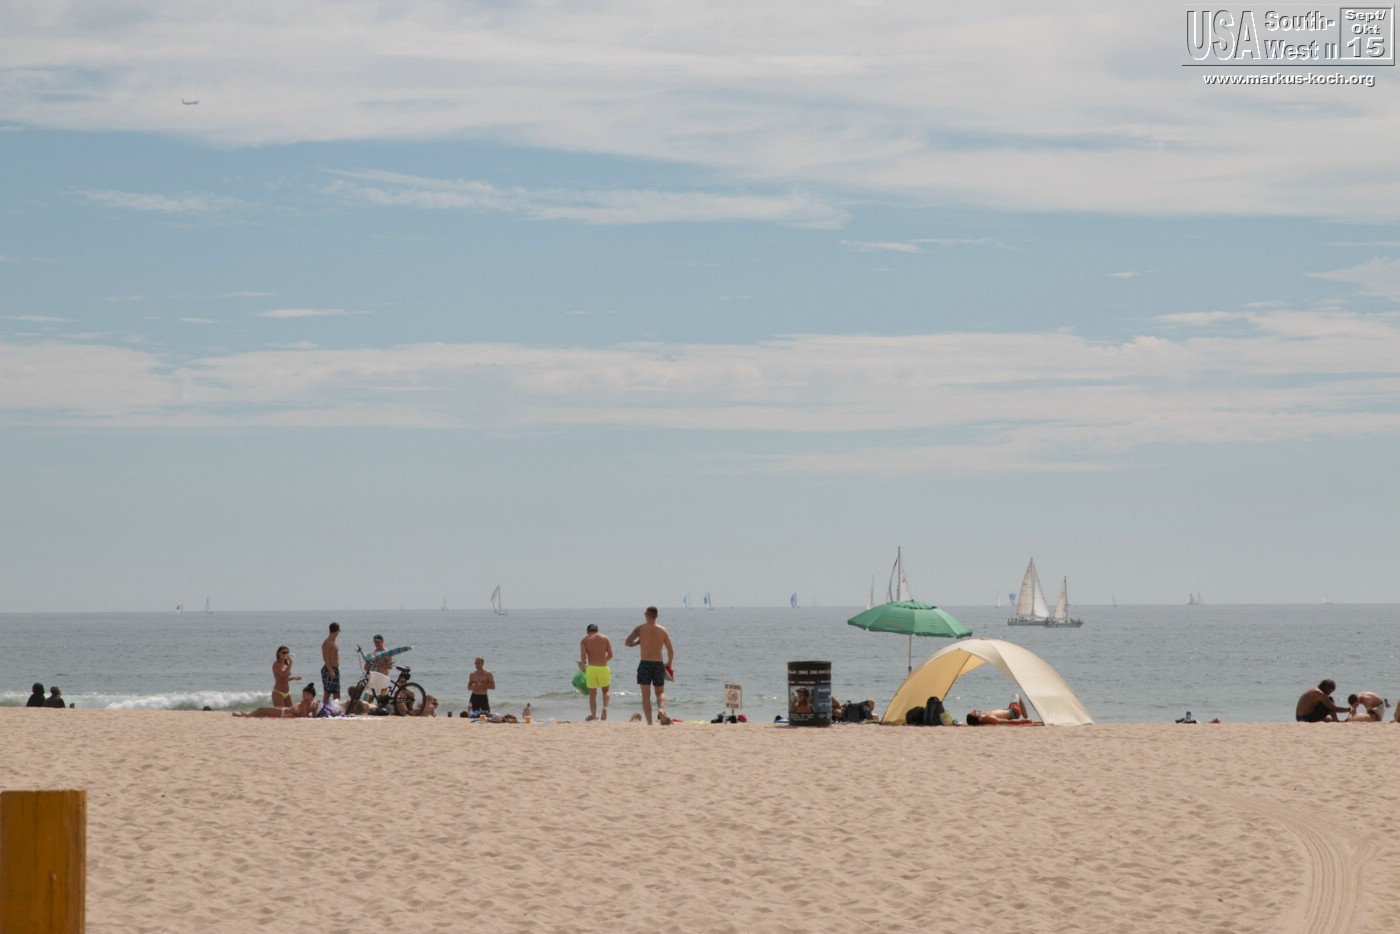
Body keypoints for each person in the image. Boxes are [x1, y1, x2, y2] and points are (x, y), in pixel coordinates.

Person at [625, 607, 674, 725]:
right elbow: (670, 650)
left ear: (646, 615)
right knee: (660, 692)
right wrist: (669, 664)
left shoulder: (640, 628)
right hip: (658, 664)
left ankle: (650, 723)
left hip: (645, 663)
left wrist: (637, 642)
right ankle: (661, 710)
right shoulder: (663, 630)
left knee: (646, 696)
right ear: (656, 616)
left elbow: (627, 642)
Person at [579, 623, 614, 721]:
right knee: (606, 690)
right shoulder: (605, 638)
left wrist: (583, 663)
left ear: (587, 631)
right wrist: (603, 661)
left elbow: (583, 657)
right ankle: (605, 708)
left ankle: (594, 716)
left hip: (591, 669)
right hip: (603, 667)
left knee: (592, 695)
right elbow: (611, 655)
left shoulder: (584, 640)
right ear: (597, 631)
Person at [235, 684, 318, 718]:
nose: (302, 696)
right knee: (264, 713)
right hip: (285, 710)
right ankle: (245, 716)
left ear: (310, 695)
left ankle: (247, 716)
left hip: (284, 712)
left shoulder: (304, 703)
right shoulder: (315, 703)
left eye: (304, 694)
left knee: (261, 709)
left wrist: (294, 715)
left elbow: (303, 716)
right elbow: (313, 717)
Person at [321, 622, 342, 702]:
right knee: (327, 692)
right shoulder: (327, 642)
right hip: (329, 669)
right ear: (337, 630)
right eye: (338, 630)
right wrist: (330, 670)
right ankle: (323, 707)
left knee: (336, 693)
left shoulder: (333, 642)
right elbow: (325, 658)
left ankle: (335, 708)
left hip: (335, 669)